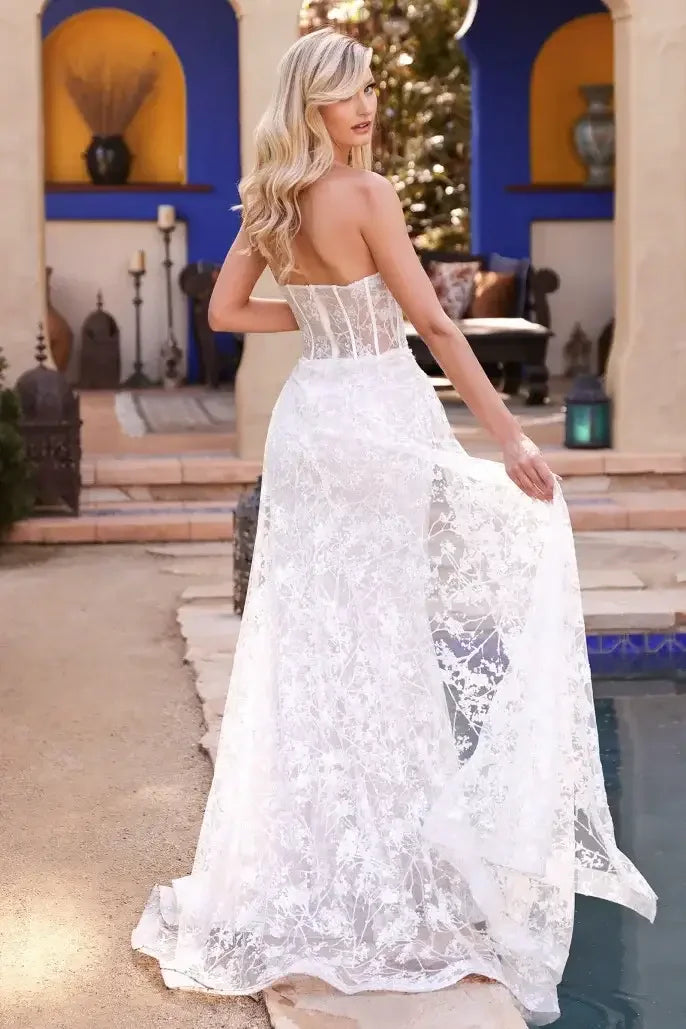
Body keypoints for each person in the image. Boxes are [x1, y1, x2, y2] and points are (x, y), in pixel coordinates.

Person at [132, 28, 656, 1025]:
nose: (364, 107)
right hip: (373, 414)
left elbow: (228, 315)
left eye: (369, 89)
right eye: (346, 94)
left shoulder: (269, 198)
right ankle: (384, 870)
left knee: (315, 641)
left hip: (312, 419)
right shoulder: (363, 196)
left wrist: (323, 311)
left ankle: (321, 863)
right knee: (381, 641)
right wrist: (508, 441)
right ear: (311, 104)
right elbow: (440, 328)